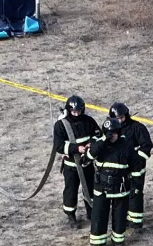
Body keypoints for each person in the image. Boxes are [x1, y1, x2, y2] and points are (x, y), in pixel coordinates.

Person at [86, 117, 137, 245]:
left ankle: (118, 241)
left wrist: (136, 185)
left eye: (113, 133)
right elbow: (90, 155)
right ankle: (98, 242)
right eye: (109, 133)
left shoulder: (126, 144)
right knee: (99, 217)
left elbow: (134, 165)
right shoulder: (98, 142)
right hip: (102, 188)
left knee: (120, 217)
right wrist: (104, 140)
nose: (111, 136)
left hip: (120, 188)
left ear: (118, 132)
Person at [53, 95, 100, 228]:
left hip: (87, 163)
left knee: (90, 189)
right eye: (74, 111)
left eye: (79, 111)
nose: (77, 114)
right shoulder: (61, 125)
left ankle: (92, 213)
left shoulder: (89, 121)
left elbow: (97, 135)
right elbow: (59, 146)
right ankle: (71, 216)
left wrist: (91, 144)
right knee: (71, 190)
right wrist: (76, 148)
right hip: (71, 166)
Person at [109, 102, 153, 229]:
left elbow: (147, 146)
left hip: (136, 170)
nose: (120, 121)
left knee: (135, 193)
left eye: (122, 117)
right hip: (121, 169)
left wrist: (136, 160)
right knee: (122, 193)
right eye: (117, 119)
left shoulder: (137, 128)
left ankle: (136, 222)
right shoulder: (112, 130)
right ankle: (124, 218)